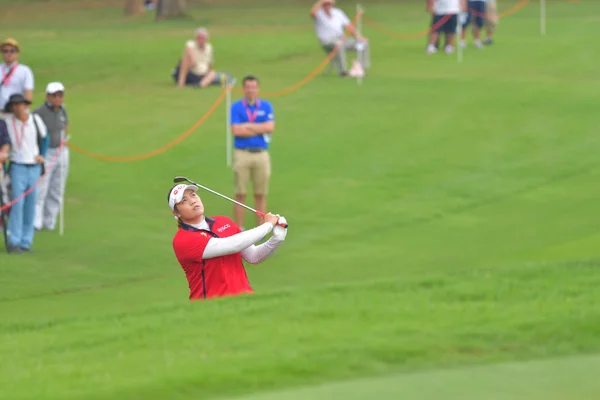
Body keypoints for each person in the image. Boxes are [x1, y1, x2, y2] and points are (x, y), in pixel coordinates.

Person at [169, 183, 288, 300]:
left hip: (246, 299)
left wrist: (276, 239)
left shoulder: (224, 221)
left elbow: (253, 256)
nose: (192, 201)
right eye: (184, 200)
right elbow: (233, 245)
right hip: (211, 307)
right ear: (176, 213)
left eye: (193, 195)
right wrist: (267, 226)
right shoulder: (183, 240)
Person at [3, 93, 48, 254]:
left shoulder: (34, 120)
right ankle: (14, 241)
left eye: (20, 104)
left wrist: (42, 155)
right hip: (17, 166)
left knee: (30, 204)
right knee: (17, 203)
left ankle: (26, 242)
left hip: (33, 166)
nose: (17, 107)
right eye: (14, 105)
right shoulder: (8, 123)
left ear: (25, 105)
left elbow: (45, 138)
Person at [230, 75, 275, 230]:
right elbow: (236, 130)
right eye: (248, 87)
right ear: (244, 89)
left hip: (261, 154)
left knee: (260, 193)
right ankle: (239, 228)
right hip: (242, 153)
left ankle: (261, 228)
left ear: (258, 89)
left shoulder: (266, 106)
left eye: (253, 87)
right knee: (240, 193)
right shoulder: (236, 107)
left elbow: (269, 128)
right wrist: (258, 128)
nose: (250, 90)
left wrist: (247, 126)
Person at [33, 82, 69, 232]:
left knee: (57, 188)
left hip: (61, 151)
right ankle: (37, 222)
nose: (58, 98)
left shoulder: (63, 110)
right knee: (41, 189)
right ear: (47, 96)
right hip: (45, 153)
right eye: (54, 95)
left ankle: (50, 222)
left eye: (60, 95)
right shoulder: (39, 113)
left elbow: (66, 125)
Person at [310, 0, 370, 77]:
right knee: (339, 45)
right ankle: (343, 71)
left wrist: (358, 37)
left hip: (341, 38)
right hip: (327, 41)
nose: (327, 6)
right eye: (325, 4)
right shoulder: (319, 14)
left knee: (362, 43)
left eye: (329, 4)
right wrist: (321, 2)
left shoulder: (338, 12)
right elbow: (312, 13)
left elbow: (349, 26)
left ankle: (360, 69)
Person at [0, 38, 34, 118]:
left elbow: (28, 92)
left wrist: (26, 111)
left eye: (12, 51)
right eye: (5, 51)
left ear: (17, 53)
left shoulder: (25, 71)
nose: (9, 53)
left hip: (17, 113)